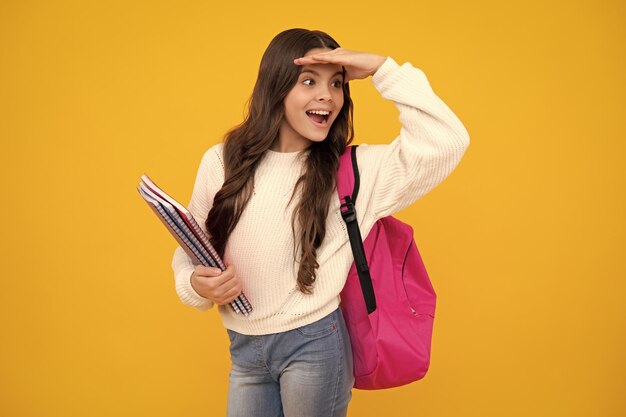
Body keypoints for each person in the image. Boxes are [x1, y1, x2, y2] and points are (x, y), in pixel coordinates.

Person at [171, 28, 470, 417]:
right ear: (276, 88)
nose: (327, 96)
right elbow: (191, 245)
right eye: (308, 81)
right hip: (244, 349)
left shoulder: (356, 172)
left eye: (337, 84)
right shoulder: (222, 161)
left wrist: (382, 69)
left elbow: (447, 140)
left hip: (314, 346)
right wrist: (193, 283)